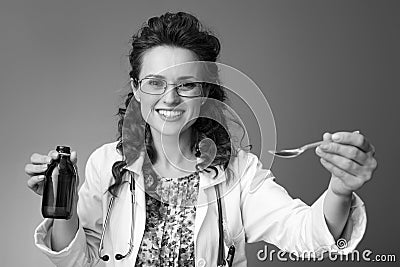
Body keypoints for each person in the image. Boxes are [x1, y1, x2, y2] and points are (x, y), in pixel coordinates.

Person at [25, 12, 377, 267]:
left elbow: (307, 235)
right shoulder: (106, 164)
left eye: (187, 85)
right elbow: (77, 261)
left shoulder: (239, 173)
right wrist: (62, 206)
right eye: (155, 83)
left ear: (206, 91)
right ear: (136, 88)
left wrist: (340, 190)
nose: (170, 98)